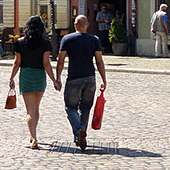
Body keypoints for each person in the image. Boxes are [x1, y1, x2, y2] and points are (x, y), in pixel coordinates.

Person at [57, 15, 106, 151]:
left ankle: (79, 130)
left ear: (75, 25)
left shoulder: (67, 39)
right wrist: (103, 79)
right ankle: (81, 131)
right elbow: (99, 61)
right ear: (87, 25)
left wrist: (58, 78)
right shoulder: (94, 40)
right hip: (90, 77)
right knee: (85, 107)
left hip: (74, 77)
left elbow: (60, 60)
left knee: (70, 107)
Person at [9, 16, 59, 150]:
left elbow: (17, 63)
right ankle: (33, 135)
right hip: (39, 76)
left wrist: (11, 78)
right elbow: (46, 64)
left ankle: (33, 137)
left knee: (29, 110)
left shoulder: (20, 42)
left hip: (26, 75)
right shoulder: (45, 43)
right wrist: (54, 80)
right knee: (36, 108)